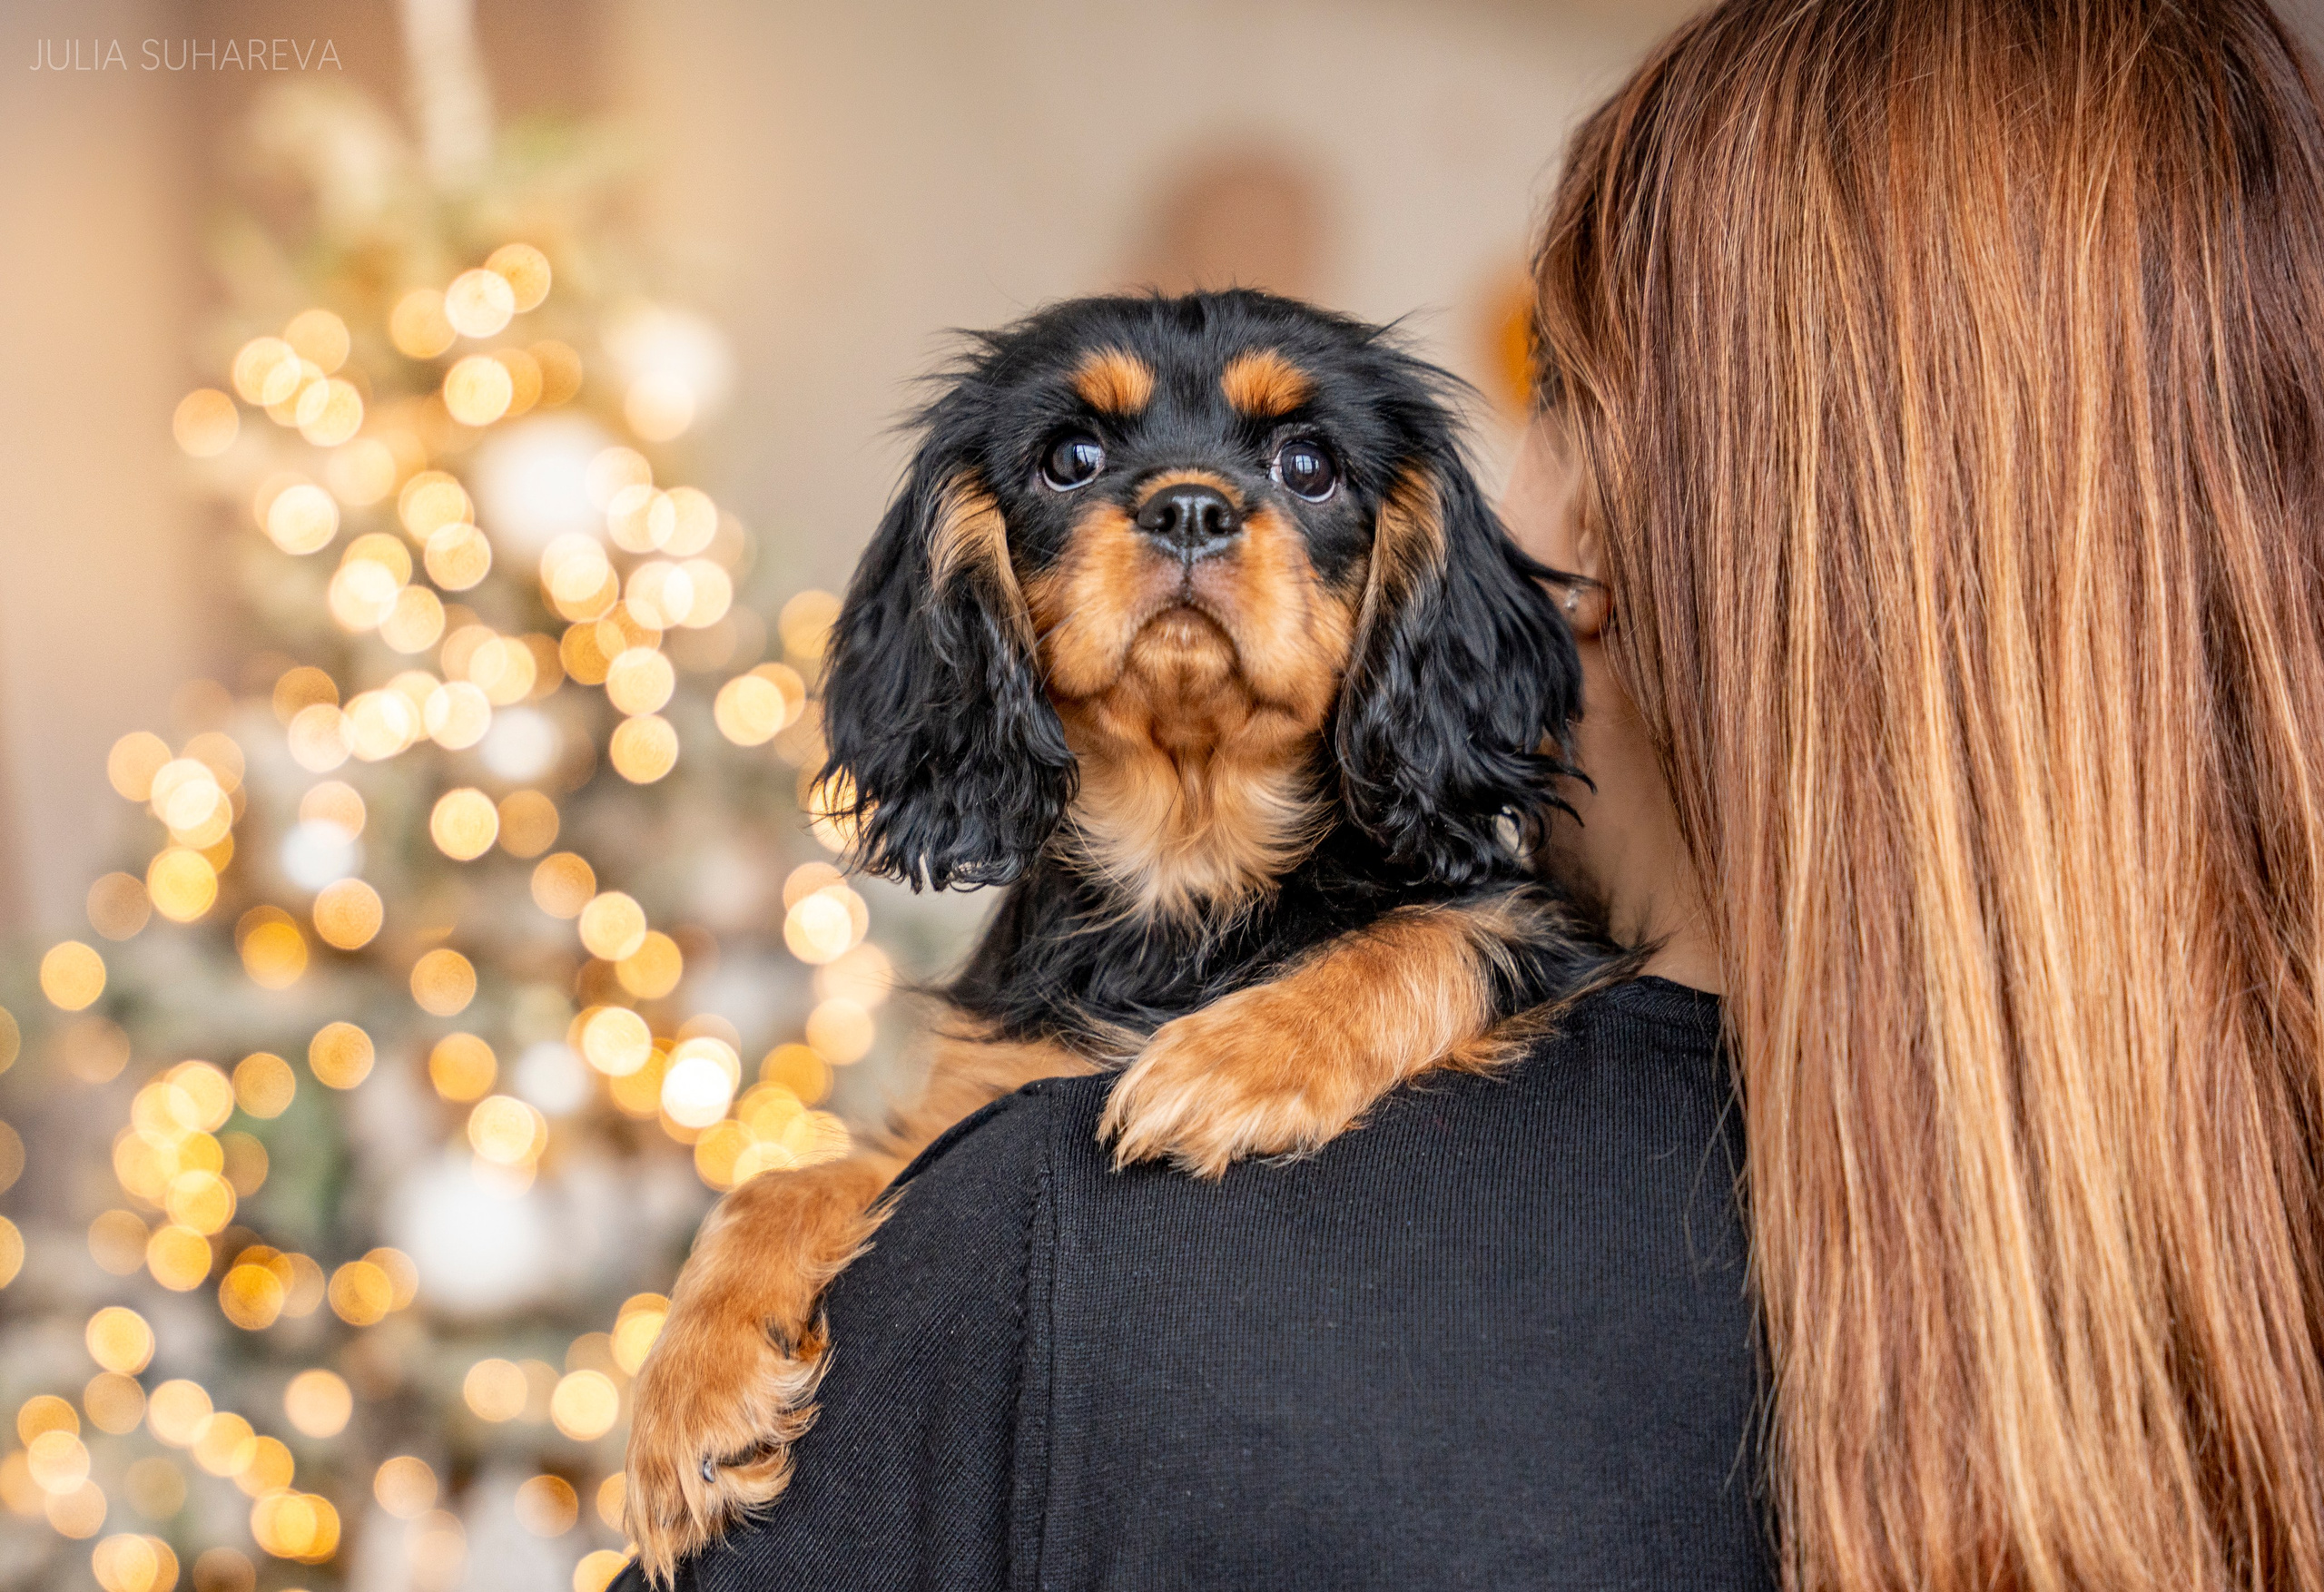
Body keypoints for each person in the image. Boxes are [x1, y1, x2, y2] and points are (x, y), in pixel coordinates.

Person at [623, 0, 2324, 1586]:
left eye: (1554, 384)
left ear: (1584, 526)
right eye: (1084, 461)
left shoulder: (1046, 1256)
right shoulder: (2251, 1279)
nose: (1198, 504)